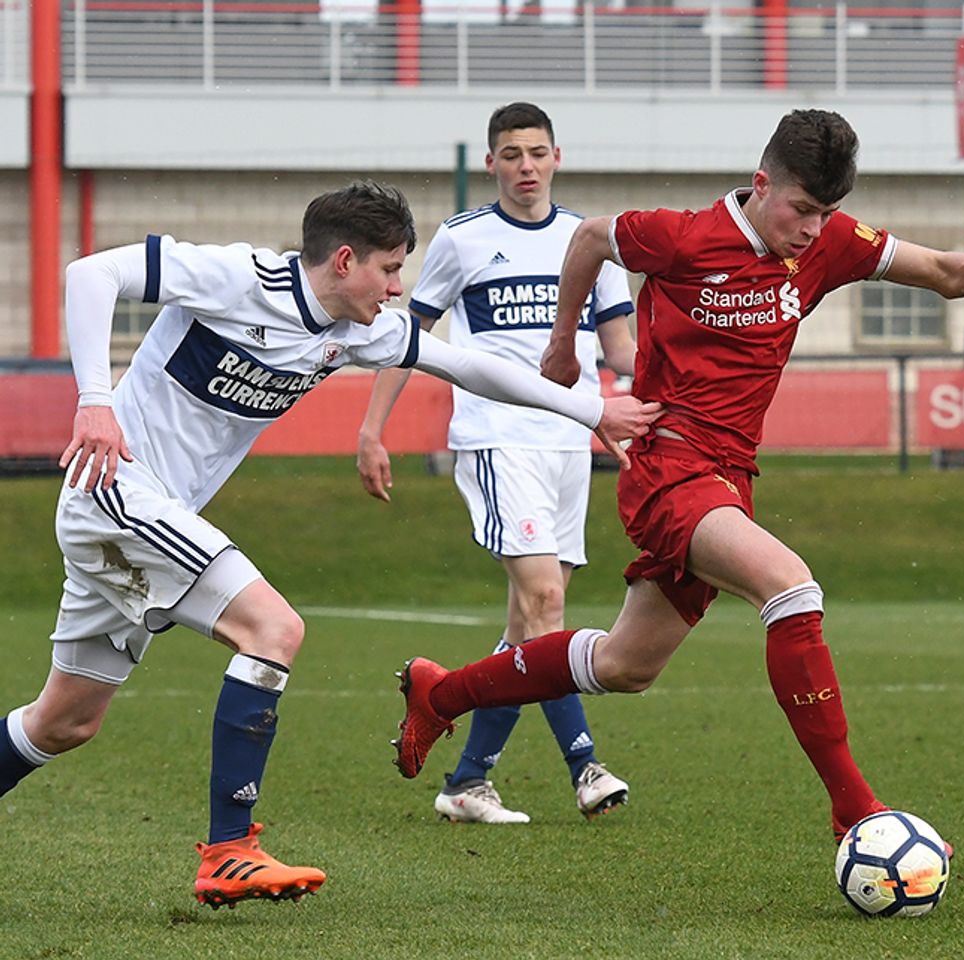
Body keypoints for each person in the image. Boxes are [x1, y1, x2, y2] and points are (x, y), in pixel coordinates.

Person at [388, 109, 964, 840]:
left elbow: (942, 273)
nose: (811, 228)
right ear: (762, 182)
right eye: (800, 208)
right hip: (668, 464)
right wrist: (562, 343)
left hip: (730, 478)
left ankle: (442, 693)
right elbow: (588, 239)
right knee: (791, 586)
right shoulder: (680, 235)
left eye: (824, 213)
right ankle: (854, 807)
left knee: (624, 665)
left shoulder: (829, 242)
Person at [0, 180, 659, 909]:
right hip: (115, 492)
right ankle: (229, 851)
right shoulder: (239, 278)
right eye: (390, 268)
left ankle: (219, 845)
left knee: (64, 723)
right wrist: (95, 401)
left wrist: (591, 407)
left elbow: (471, 367)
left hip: (144, 519)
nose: (399, 286)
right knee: (273, 628)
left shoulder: (359, 332)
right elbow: (90, 274)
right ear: (345, 261)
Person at [357, 103, 636, 824]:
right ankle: (586, 765)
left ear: (557, 157)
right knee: (547, 604)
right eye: (511, 154)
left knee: (526, 626)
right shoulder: (461, 239)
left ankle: (468, 779)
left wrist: (643, 416)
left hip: (570, 444)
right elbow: (404, 338)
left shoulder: (590, 241)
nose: (526, 166)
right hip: (496, 437)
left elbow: (622, 352)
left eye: (537, 152)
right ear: (491, 163)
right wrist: (372, 430)